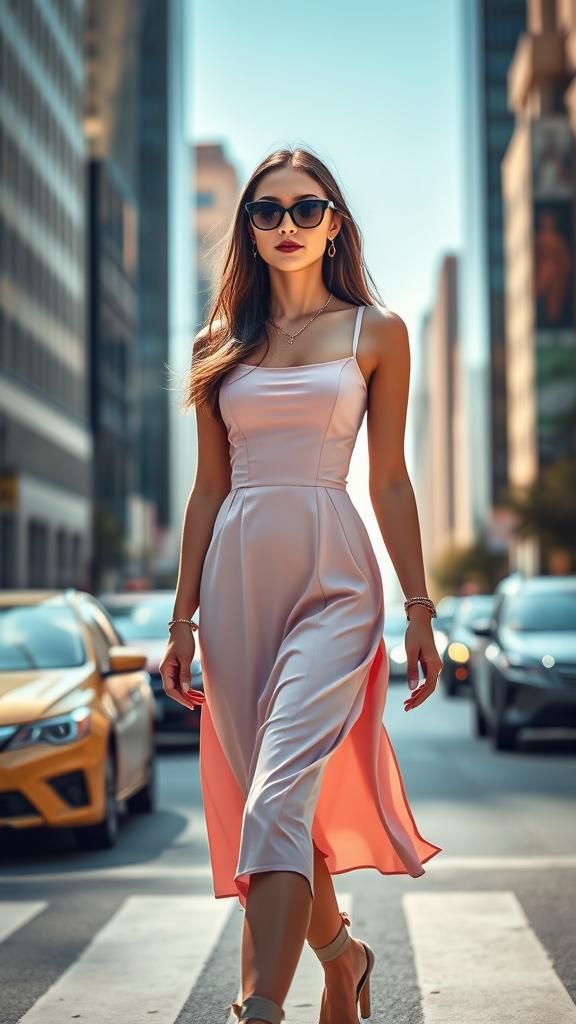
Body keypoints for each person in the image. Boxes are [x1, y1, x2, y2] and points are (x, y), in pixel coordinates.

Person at [160, 147, 443, 1024]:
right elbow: (208, 488)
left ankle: (260, 1011)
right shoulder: (218, 345)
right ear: (247, 227)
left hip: (335, 576)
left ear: (335, 223)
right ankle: (343, 958)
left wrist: (419, 608)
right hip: (237, 582)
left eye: (306, 208)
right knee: (271, 805)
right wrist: (181, 618)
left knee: (279, 792)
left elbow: (389, 480)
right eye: (267, 211)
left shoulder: (375, 332)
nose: (287, 226)